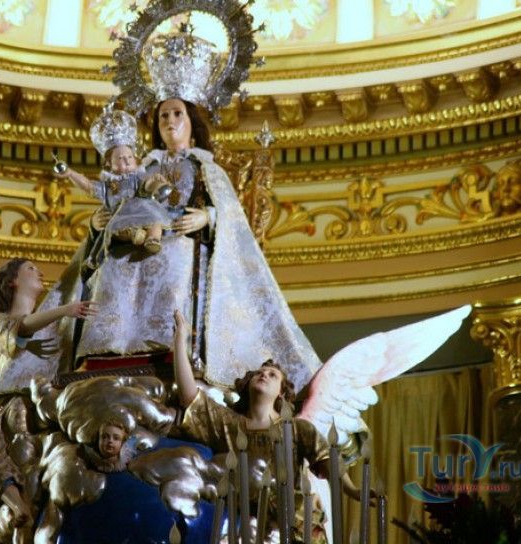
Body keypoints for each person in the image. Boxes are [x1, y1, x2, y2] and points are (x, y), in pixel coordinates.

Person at [72, 97, 322, 392]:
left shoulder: (205, 167)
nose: (170, 121)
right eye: (163, 115)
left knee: (175, 255)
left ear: (191, 122)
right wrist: (97, 223)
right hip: (135, 237)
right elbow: (117, 200)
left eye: (177, 114)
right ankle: (105, 349)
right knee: (112, 264)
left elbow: (233, 217)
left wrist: (207, 217)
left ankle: (169, 347)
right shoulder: (143, 166)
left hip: (182, 239)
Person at [171, 309, 330, 542]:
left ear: (281, 393)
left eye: (272, 375)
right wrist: (180, 339)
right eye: (259, 373)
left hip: (290, 525)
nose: (264, 375)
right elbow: (189, 397)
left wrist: (354, 491)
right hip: (242, 527)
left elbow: (329, 464)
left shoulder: (296, 429)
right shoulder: (229, 424)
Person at [0, 258, 97, 527]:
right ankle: (18, 506)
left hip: (44, 398)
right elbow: (22, 329)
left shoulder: (53, 325)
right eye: (30, 268)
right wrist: (65, 310)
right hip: (5, 400)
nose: (39, 272)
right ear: (12, 282)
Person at [59, 109, 173, 258]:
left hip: (144, 210)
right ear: (109, 163)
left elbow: (146, 188)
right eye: (120, 158)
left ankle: (152, 239)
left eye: (129, 157)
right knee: (117, 230)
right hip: (121, 215)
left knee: (155, 221)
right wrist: (70, 173)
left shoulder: (138, 177)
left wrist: (154, 181)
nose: (126, 161)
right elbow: (88, 186)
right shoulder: (108, 186)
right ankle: (135, 235)